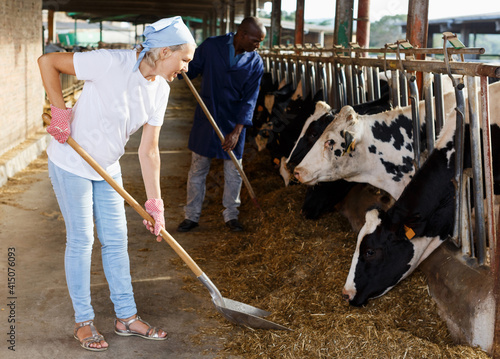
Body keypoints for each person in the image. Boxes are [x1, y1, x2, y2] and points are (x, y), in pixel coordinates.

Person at [37, 16, 196, 352]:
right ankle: (83, 322)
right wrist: (60, 112)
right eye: (184, 60)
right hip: (71, 160)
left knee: (117, 240)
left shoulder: (161, 91)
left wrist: (156, 204)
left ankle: (126, 317)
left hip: (107, 167)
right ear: (164, 51)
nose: (185, 69)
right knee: (82, 239)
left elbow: (150, 151)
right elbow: (48, 62)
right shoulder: (110, 62)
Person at [177, 17, 266, 233]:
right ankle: (191, 216)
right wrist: (179, 65)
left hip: (234, 123)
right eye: (256, 40)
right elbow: (191, 68)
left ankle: (231, 216)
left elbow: (249, 100)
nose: (258, 46)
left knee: (234, 171)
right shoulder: (211, 46)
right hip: (207, 118)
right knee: (198, 169)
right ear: (242, 34)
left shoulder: (255, 63)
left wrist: (236, 132)